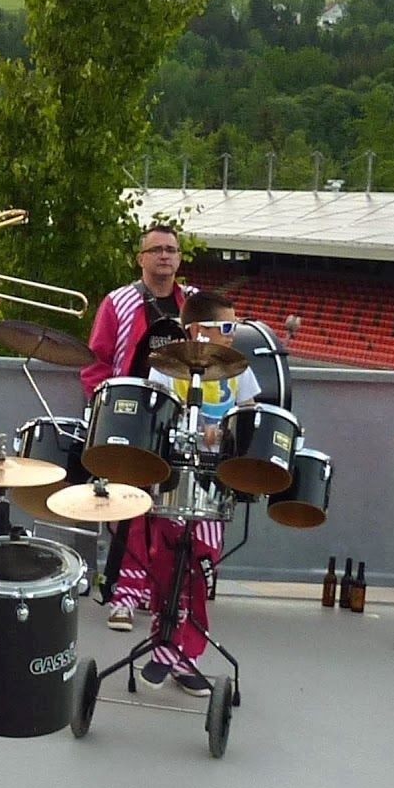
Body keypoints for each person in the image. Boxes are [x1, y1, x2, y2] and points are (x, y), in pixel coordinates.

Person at [131, 291, 260, 697]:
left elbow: (248, 415)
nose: (231, 336)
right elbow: (156, 418)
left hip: (213, 480)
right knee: (165, 566)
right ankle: (164, 641)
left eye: (233, 328)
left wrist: (224, 433)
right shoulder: (167, 368)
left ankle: (186, 656)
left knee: (200, 570)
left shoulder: (238, 369)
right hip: (172, 479)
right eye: (225, 328)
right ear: (197, 332)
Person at [82, 222, 198, 632]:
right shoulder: (118, 302)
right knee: (128, 508)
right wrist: (103, 412)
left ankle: (165, 593)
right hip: (130, 415)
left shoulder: (195, 305)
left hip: (181, 418)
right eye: (156, 250)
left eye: (171, 249)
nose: (165, 256)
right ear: (141, 258)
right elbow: (95, 363)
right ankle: (124, 595)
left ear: (180, 257)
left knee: (173, 510)